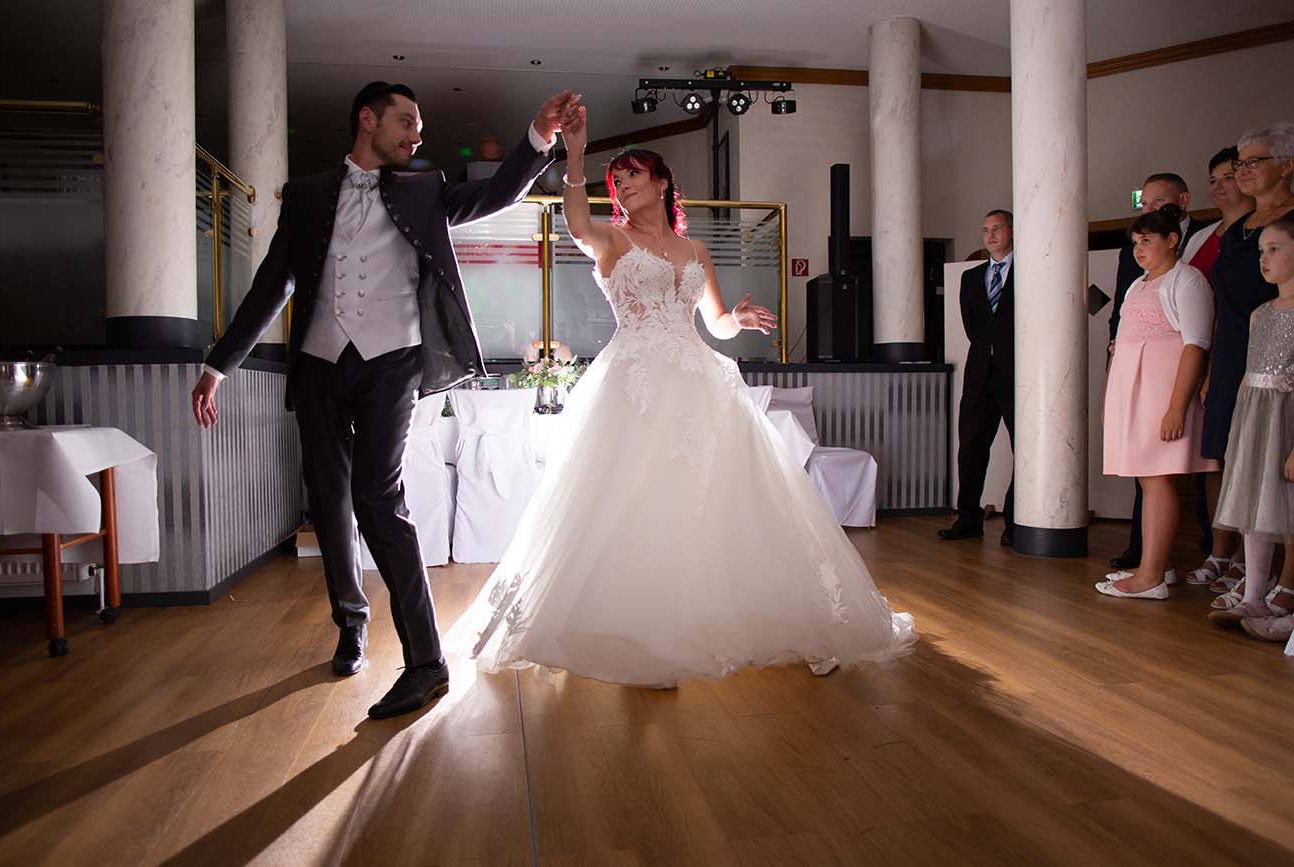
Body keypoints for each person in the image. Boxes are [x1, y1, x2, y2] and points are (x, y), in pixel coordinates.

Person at [443, 107, 916, 686]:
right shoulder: (611, 239)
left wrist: (737, 318)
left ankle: (804, 621)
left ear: (663, 182)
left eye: (633, 174)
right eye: (617, 179)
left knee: (737, 501)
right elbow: (576, 224)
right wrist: (575, 155)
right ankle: (644, 637)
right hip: (634, 383)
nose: (622, 184)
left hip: (697, 379)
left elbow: (713, 323)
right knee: (634, 501)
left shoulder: (695, 251)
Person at [191, 81, 581, 719]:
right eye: (406, 122)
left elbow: (497, 193)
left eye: (419, 125)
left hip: (392, 362)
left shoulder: (425, 189)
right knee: (328, 500)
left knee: (379, 498)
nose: (417, 135)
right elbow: (272, 285)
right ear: (367, 119)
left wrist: (540, 135)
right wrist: (219, 365)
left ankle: (426, 662)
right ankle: (350, 622)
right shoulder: (306, 195)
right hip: (319, 365)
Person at [1096, 205, 1217, 600]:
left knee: (1157, 479)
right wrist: (1111, 400)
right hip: (1133, 392)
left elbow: (1196, 345)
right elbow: (1122, 344)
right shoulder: (1137, 284)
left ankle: (1151, 577)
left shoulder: (1188, 280)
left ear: (1172, 240)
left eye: (1147, 240)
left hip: (1161, 393)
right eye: (1135, 242)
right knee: (1146, 479)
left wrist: (1176, 407)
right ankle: (1155, 565)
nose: (1139, 249)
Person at [1202, 122, 1294, 609]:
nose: (1243, 171)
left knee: (1282, 467)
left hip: (1286, 354)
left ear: (1287, 165)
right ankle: (1244, 567)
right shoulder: (1237, 229)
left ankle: (1285, 583)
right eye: (1240, 163)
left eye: (1254, 161)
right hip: (1237, 352)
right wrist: (1212, 368)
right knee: (1234, 455)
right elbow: (1222, 303)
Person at [1182, 147, 1256, 587]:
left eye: (1229, 176)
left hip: (1253, 346)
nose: (1220, 185)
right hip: (1213, 349)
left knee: (1251, 456)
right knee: (1215, 457)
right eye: (1214, 179)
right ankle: (1219, 551)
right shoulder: (1203, 237)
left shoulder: (1266, 230)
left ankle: (1250, 558)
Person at [938, 210, 1016, 546]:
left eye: (997, 228)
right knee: (970, 447)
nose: (990, 235)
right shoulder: (971, 277)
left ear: (1012, 231)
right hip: (979, 375)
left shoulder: (1030, 271)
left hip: (1018, 375)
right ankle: (968, 518)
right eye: (985, 230)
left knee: (1024, 449)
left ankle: (1016, 521)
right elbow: (973, 328)